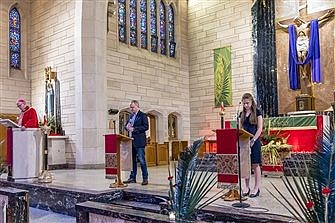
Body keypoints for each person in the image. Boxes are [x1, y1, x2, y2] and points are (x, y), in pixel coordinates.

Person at [277, 9, 334, 96]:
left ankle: (305, 73)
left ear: (299, 20)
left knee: (304, 56)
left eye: (296, 21)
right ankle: (303, 72)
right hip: (298, 44)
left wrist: (326, 15)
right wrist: (280, 24)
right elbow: (287, 27)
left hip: (305, 43)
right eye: (295, 21)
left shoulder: (306, 24)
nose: (296, 22)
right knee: (299, 57)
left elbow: (318, 20)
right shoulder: (296, 27)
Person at [239, 93, 263, 198]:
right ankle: (246, 187)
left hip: (254, 141)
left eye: (247, 103)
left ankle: (256, 188)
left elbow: (260, 128)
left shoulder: (257, 112)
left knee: (255, 164)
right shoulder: (241, 114)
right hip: (245, 141)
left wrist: (253, 139)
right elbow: (240, 128)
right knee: (246, 164)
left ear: (252, 102)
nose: (245, 105)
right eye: (244, 103)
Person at [123, 100, 149, 185]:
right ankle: (132, 177)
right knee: (132, 161)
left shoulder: (143, 115)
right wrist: (127, 127)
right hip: (130, 141)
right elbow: (126, 125)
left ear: (137, 106)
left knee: (141, 160)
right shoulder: (130, 116)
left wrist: (134, 129)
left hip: (139, 141)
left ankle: (145, 178)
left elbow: (145, 126)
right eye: (130, 107)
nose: (131, 109)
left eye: (132, 107)